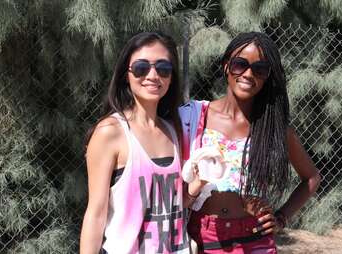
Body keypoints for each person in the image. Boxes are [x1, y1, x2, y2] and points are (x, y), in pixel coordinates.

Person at [179, 32, 321, 253]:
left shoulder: (273, 128)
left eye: (260, 69)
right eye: (240, 64)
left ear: (267, 77)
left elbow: (311, 177)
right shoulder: (196, 116)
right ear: (227, 66)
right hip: (206, 235)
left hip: (255, 238)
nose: (248, 74)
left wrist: (281, 218)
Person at [79, 32, 192, 254]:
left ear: (171, 77)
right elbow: (96, 213)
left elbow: (174, 202)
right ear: (126, 75)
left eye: (163, 68)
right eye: (141, 67)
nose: (153, 75)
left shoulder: (175, 131)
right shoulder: (110, 132)